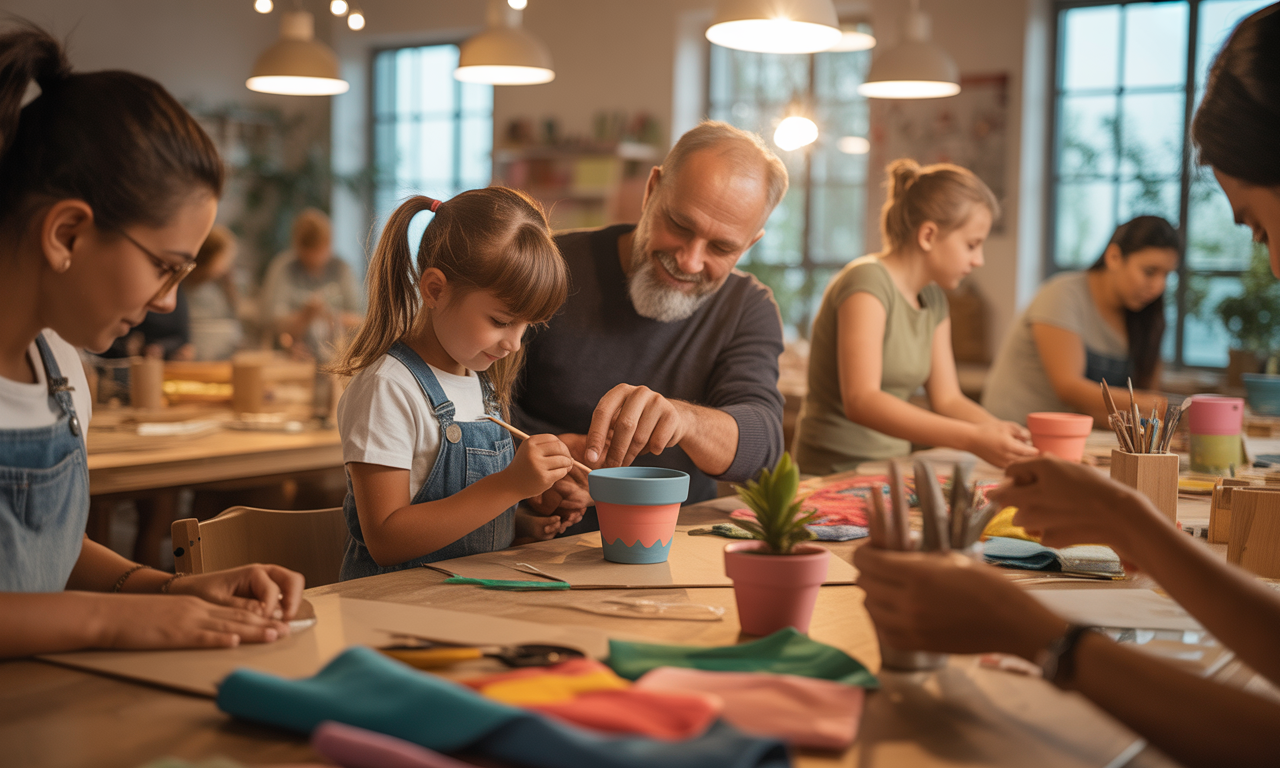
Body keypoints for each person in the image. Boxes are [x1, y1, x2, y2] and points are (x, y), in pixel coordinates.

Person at [855, 7, 1280, 765]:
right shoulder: (898, 288)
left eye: (1258, 226)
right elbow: (1056, 391)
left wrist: (1037, 634)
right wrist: (1130, 519)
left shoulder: (946, 303)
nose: (1272, 264)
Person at [0, 25, 303, 658]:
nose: (169, 301)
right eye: (165, 266)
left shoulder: (59, 368)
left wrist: (171, 592)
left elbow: (47, 551)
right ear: (68, 234)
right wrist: (110, 623)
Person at [512, 121, 789, 539]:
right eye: (679, 225)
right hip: (528, 548)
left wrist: (685, 420)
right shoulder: (549, 267)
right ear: (651, 189)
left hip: (681, 548)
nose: (691, 261)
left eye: (721, 248)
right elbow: (461, 401)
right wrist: (524, 462)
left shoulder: (747, 307)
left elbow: (763, 448)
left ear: (750, 245)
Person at [330, 189, 573, 579]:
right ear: (435, 290)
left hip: (465, 605)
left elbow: (456, 512)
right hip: (391, 613)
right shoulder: (388, 389)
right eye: (501, 321)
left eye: (528, 326)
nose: (514, 344)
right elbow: (387, 539)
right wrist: (508, 487)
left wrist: (521, 515)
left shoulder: (479, 383)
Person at [793, 159, 1037, 475]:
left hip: (889, 470)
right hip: (832, 473)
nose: (978, 260)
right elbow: (862, 399)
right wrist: (973, 438)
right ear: (928, 235)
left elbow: (947, 398)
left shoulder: (934, 299)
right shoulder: (866, 282)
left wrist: (1005, 432)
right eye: (971, 245)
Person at [982, 216, 1178, 426]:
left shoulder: (1147, 319)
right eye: (1149, 272)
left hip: (1081, 436)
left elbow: (1148, 401)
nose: (1158, 286)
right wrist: (1155, 405)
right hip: (1015, 429)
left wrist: (1153, 409)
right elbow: (1069, 388)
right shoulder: (1062, 295)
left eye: (1166, 275)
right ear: (1114, 257)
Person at [259, 207, 362, 362]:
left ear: (329, 244)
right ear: (298, 247)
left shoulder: (342, 269)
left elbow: (361, 319)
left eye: (321, 250)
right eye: (310, 253)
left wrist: (330, 317)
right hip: (292, 357)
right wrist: (304, 316)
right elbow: (271, 322)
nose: (316, 258)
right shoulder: (284, 268)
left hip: (337, 357)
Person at [185, 224, 244, 361]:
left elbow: (234, 324)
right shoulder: (183, 288)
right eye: (224, 259)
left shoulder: (221, 288)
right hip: (193, 356)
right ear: (208, 257)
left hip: (219, 357)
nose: (227, 266)